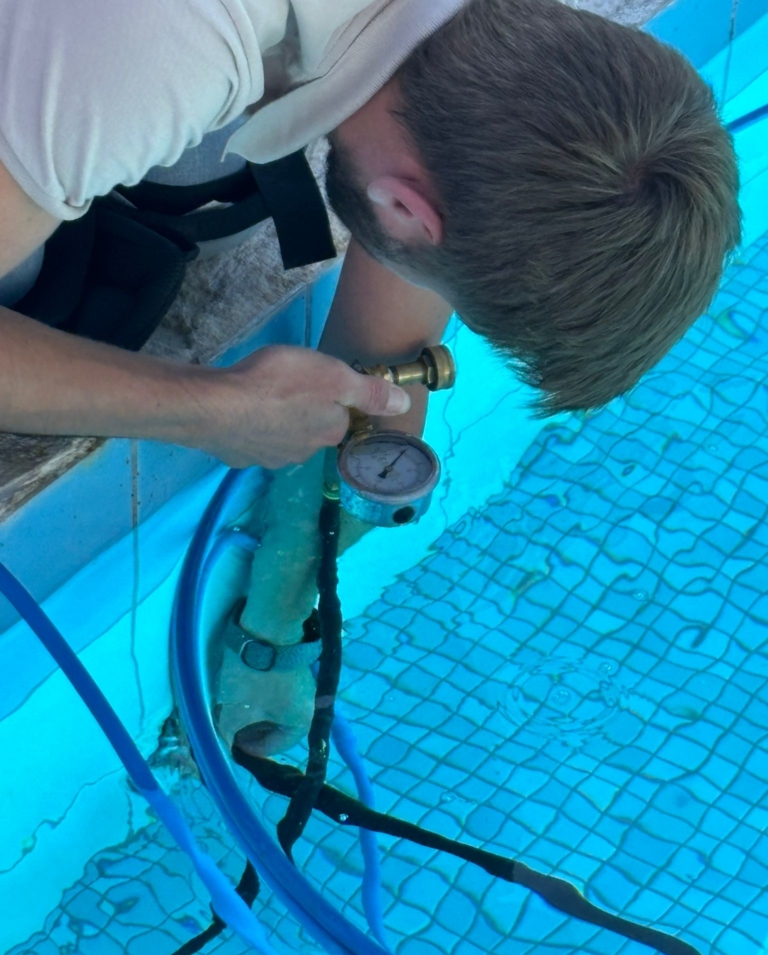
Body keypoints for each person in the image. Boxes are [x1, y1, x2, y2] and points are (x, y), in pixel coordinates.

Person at [0, 0, 740, 753]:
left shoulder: (500, 65)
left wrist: (282, 611)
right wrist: (200, 408)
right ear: (402, 206)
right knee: (56, 295)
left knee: (206, 196)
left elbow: (396, 313)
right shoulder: (150, 51)